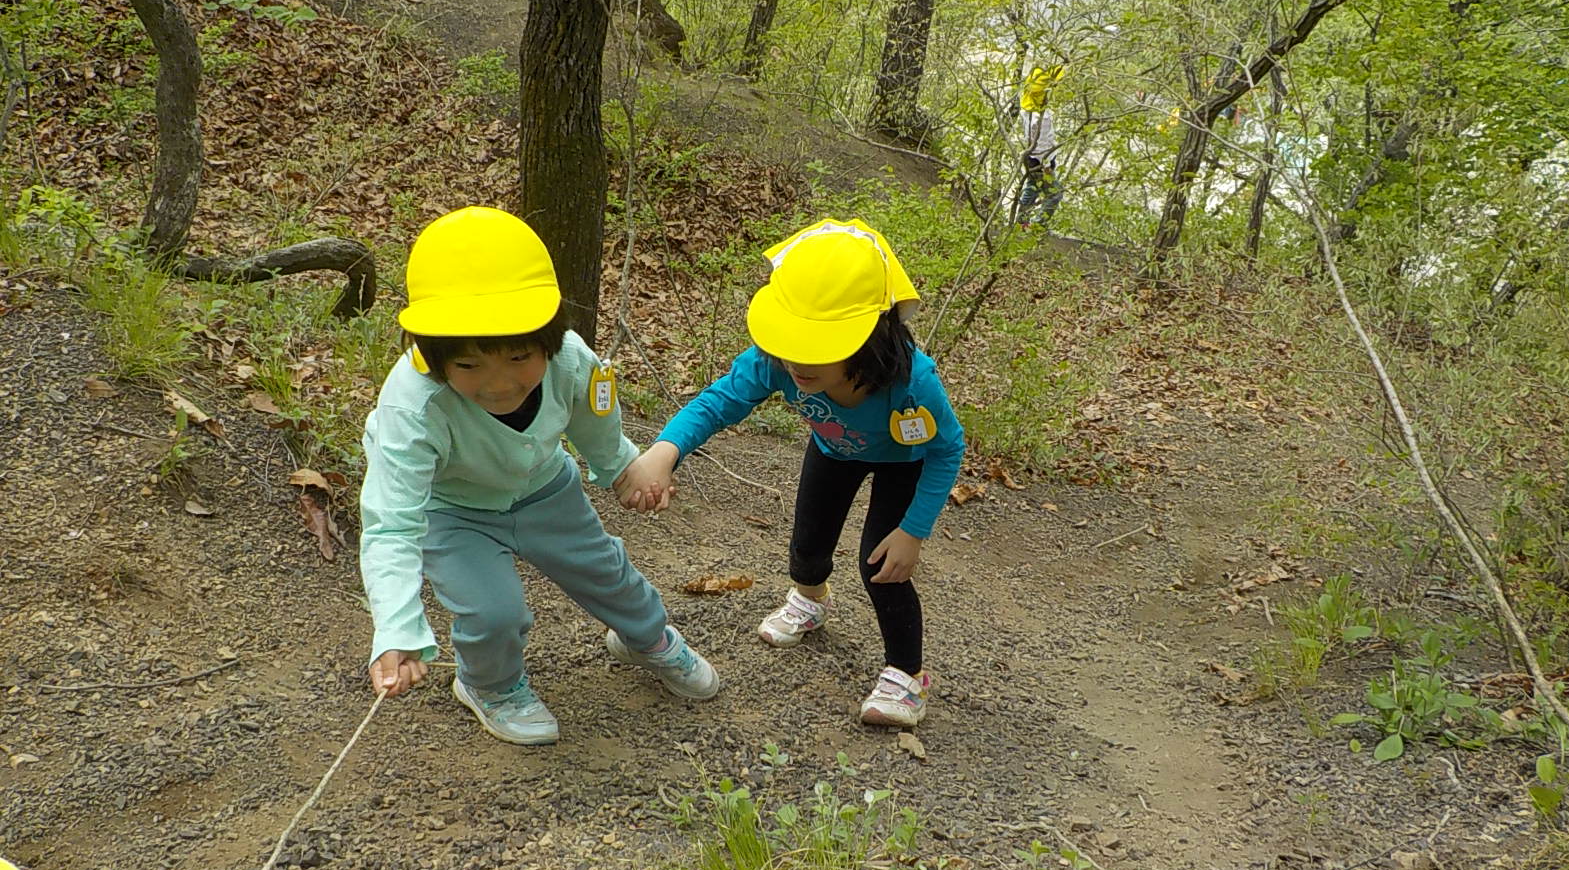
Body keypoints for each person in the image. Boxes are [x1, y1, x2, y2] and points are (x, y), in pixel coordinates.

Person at [360, 206, 720, 745]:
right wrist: (396, 627)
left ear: (549, 337)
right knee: (493, 611)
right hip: (450, 510)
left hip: (545, 488)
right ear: (433, 356)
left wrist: (619, 467)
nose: (499, 384)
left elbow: (595, 418)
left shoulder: (571, 359)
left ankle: (646, 638)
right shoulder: (412, 406)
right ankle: (491, 686)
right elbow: (392, 522)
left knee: (606, 571)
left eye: (518, 357)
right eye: (469, 365)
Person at [625, 220, 965, 729]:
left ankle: (907, 675)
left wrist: (913, 532)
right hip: (833, 448)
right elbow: (718, 402)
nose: (797, 363)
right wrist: (664, 451)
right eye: (791, 341)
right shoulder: (776, 361)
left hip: (906, 462)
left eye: (819, 347)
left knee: (882, 565)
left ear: (870, 337)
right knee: (808, 546)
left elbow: (947, 449)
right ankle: (811, 601)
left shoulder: (913, 384)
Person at [1017, 63, 1065, 229]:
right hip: (1040, 160)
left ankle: (1021, 223)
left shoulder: (1028, 107)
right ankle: (1037, 226)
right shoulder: (1039, 117)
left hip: (1033, 159)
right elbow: (1041, 142)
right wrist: (1046, 165)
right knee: (1055, 194)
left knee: (1032, 188)